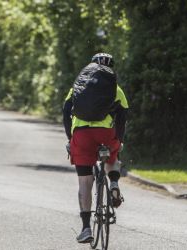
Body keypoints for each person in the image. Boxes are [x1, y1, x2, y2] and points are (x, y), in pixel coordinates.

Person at [62, 53, 128, 243]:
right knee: (113, 156)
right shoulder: (116, 89)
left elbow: (66, 111)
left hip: (82, 135)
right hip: (106, 134)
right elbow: (122, 117)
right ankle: (114, 183)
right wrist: (119, 139)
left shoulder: (78, 86)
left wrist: (70, 138)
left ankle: (85, 228)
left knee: (85, 181)